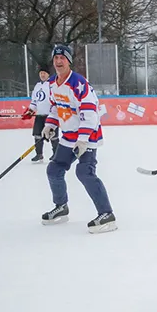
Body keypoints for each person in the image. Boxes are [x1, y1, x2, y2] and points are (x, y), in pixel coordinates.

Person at [40, 44, 117, 234]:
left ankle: (107, 214)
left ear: (69, 61)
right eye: (56, 58)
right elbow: (55, 107)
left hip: (87, 136)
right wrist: (50, 124)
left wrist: (83, 139)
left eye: (62, 58)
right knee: (54, 169)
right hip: (68, 136)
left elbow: (90, 113)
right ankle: (61, 207)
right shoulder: (52, 84)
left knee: (84, 172)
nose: (59, 62)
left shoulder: (78, 83)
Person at [22, 67, 53, 162]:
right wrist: (30, 111)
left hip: (50, 116)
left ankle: (56, 154)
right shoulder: (37, 86)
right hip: (39, 115)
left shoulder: (52, 85)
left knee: (53, 136)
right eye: (41, 73)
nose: (42, 75)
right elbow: (34, 101)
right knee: (37, 135)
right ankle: (39, 154)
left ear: (48, 74)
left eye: (44, 73)